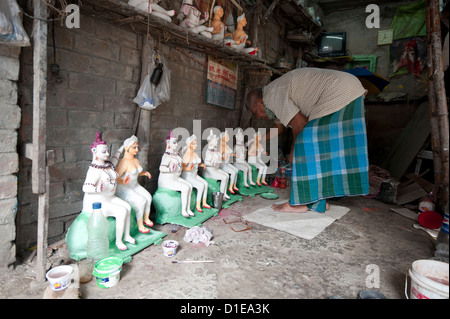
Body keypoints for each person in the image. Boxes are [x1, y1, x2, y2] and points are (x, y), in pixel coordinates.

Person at [245, 67, 369, 213]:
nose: (259, 117)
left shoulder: (272, 95)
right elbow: (279, 127)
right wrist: (257, 140)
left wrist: (293, 155)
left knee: (307, 146)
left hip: (338, 92)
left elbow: (300, 125)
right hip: (348, 89)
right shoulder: (274, 98)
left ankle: (298, 204)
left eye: (256, 113)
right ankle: (320, 202)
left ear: (260, 102)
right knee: (324, 151)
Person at [82, 132, 135, 251]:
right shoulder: (94, 170)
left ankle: (126, 235)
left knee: (128, 207)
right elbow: (85, 187)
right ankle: (118, 241)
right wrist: (97, 189)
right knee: (121, 211)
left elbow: (115, 159)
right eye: (104, 152)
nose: (107, 154)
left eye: (107, 151)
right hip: (99, 201)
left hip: (109, 197)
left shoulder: (107, 165)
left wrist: (122, 148)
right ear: (94, 152)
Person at [115, 135, 154, 234]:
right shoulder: (124, 162)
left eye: (137, 147)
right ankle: (140, 225)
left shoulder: (136, 160)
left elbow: (137, 172)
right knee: (141, 201)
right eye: (134, 147)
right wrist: (122, 181)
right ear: (127, 148)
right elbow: (115, 177)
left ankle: (146, 219)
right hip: (124, 187)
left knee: (148, 197)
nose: (137, 149)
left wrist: (144, 173)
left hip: (134, 185)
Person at [158, 130, 195, 218]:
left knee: (189, 185)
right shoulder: (166, 156)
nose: (176, 145)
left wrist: (186, 146)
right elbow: (161, 168)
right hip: (167, 180)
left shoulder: (175, 154)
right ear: (168, 143)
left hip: (175, 178)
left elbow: (180, 153)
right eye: (174, 143)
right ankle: (183, 210)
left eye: (176, 143)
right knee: (185, 188)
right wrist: (170, 169)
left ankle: (188, 208)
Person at [181, 134, 211, 212]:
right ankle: (198, 205)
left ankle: (204, 202)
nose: (196, 145)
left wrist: (201, 164)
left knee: (205, 183)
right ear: (189, 145)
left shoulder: (195, 153)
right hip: (188, 176)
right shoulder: (187, 155)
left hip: (194, 174)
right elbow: (182, 167)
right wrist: (188, 168)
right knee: (201, 185)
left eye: (196, 143)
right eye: (194, 144)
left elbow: (196, 163)